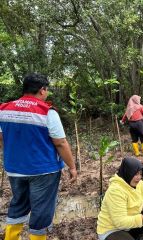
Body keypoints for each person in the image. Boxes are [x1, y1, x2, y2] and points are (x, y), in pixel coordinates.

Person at [0, 73, 77, 240]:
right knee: (41, 211)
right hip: (43, 171)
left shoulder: (4, 109)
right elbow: (60, 143)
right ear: (42, 90)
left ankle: (10, 237)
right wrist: (72, 166)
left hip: (14, 170)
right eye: (46, 89)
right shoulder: (47, 112)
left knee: (18, 204)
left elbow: (1, 138)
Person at [97, 157, 143, 240]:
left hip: (129, 225)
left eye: (140, 174)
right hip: (112, 229)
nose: (139, 177)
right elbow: (120, 223)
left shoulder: (139, 184)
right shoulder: (115, 191)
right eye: (135, 174)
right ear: (128, 173)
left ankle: (132, 235)